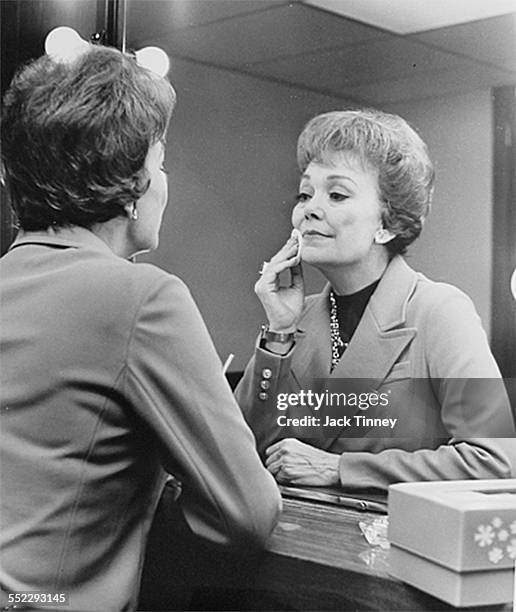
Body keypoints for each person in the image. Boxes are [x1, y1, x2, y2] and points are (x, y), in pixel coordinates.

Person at [0, 46, 280, 611]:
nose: (164, 181)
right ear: (130, 187)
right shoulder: (142, 297)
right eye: (160, 161)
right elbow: (247, 513)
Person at [235, 109, 516, 491]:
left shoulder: (440, 311)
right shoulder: (295, 317)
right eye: (305, 194)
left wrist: (341, 468)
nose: (308, 209)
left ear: (388, 224)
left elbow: (496, 459)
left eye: (336, 194)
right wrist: (279, 333)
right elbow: (238, 452)